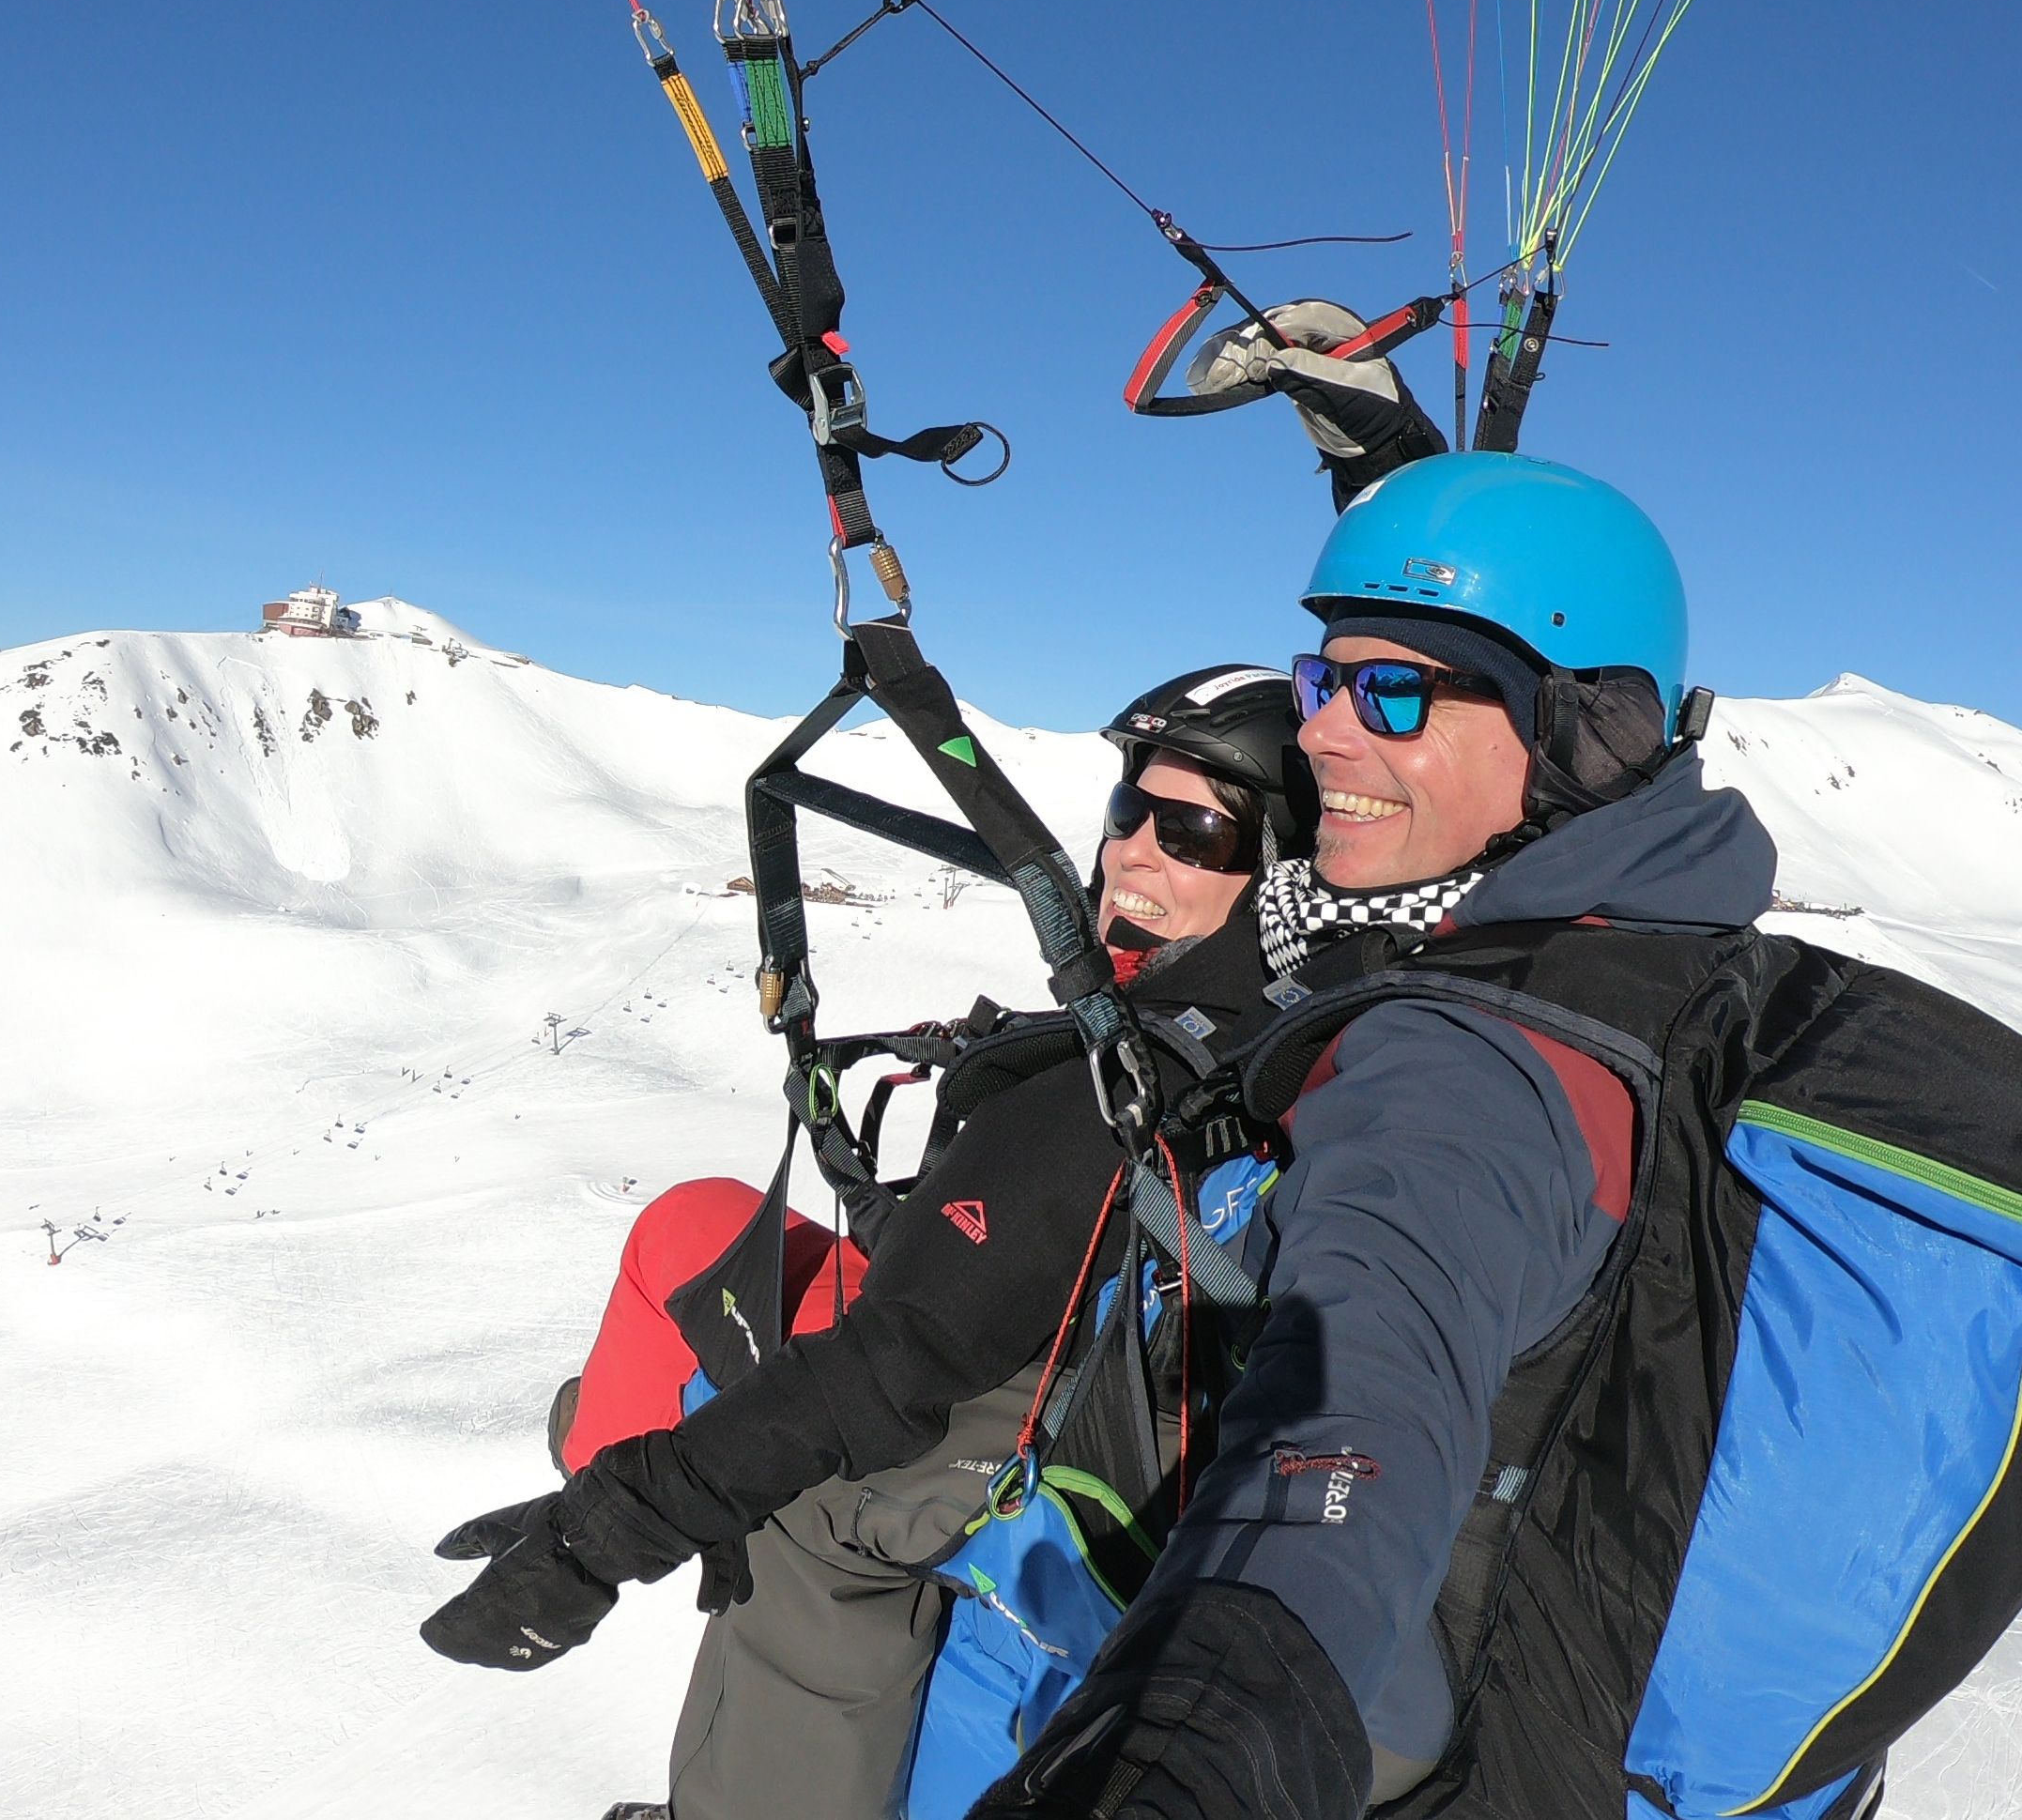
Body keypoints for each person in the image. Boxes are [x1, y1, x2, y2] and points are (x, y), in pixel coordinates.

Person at [977, 451, 1787, 1820]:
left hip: (1419, 1691)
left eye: (1392, 690)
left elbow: (1361, 1404)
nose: (1323, 735)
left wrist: (1208, 1724)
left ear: (1581, 730)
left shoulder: (1459, 1060)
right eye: (1321, 679)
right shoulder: (1654, 927)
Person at [418, 665, 1319, 1820]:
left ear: (1280, 871)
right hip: (1107, 1330)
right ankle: (597, 1446)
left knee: (714, 1302)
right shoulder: (1283, 1010)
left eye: (1194, 830)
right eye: (1127, 811)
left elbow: (891, 1366)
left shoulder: (1110, 1091)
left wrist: (605, 1529)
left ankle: (610, 1499)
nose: (1134, 850)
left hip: (1029, 1390)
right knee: (696, 1223)